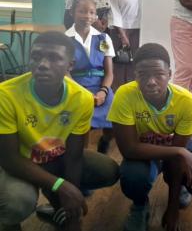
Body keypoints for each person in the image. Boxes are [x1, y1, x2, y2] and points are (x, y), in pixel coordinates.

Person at [0, 32, 119, 231]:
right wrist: (59, 185)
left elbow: (74, 156)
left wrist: (70, 206)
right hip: (19, 163)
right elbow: (9, 159)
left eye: (54, 58)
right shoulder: (6, 95)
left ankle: (56, 208)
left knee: (109, 171)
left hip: (54, 157)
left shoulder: (81, 98)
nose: (43, 64)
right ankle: (8, 223)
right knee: (16, 203)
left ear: (70, 65)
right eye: (36, 57)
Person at [108, 43, 192, 231]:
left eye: (158, 74)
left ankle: (180, 189)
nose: (151, 81)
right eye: (142, 74)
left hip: (175, 146)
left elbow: (177, 156)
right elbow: (129, 149)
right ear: (134, 75)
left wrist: (172, 208)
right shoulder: (124, 95)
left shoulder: (186, 101)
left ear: (169, 74)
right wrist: (179, 151)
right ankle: (139, 205)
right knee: (133, 178)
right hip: (142, 150)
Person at [65, 0, 116, 154]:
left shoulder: (103, 38)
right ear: (72, 12)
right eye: (82, 11)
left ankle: (106, 140)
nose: (87, 16)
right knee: (82, 123)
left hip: (101, 86)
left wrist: (103, 91)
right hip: (75, 85)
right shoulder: (66, 39)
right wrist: (82, 93)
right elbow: (65, 73)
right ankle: (82, 154)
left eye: (91, 12)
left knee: (115, 118)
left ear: (95, 16)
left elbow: (109, 73)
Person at [109, 0, 148, 90]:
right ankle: (117, 94)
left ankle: (131, 92)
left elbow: (148, 6)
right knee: (120, 63)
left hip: (139, 30)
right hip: (120, 31)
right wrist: (122, 34)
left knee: (135, 64)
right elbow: (114, 10)